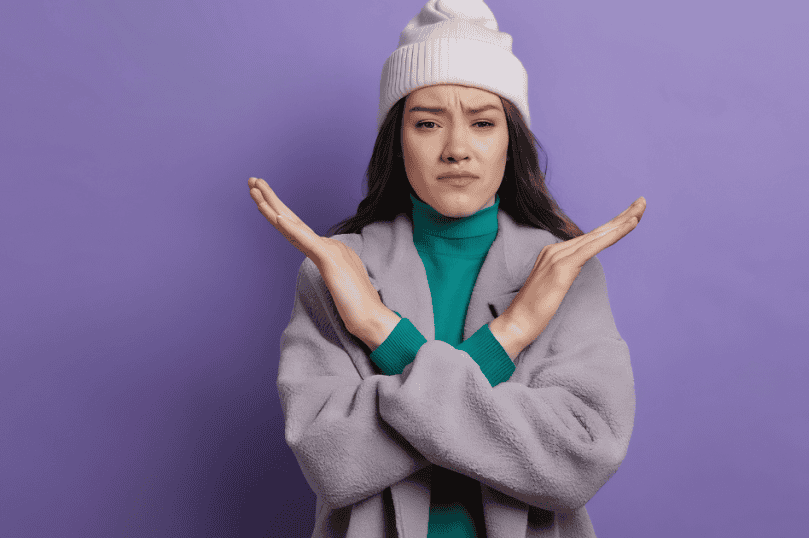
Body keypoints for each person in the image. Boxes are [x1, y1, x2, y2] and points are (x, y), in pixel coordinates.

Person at [248, 0, 646, 536]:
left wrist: (383, 333)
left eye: (483, 122)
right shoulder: (336, 270)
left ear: (512, 141)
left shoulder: (562, 271)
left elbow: (579, 459)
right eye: (428, 123)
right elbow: (329, 458)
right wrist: (505, 341)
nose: (457, 149)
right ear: (398, 140)